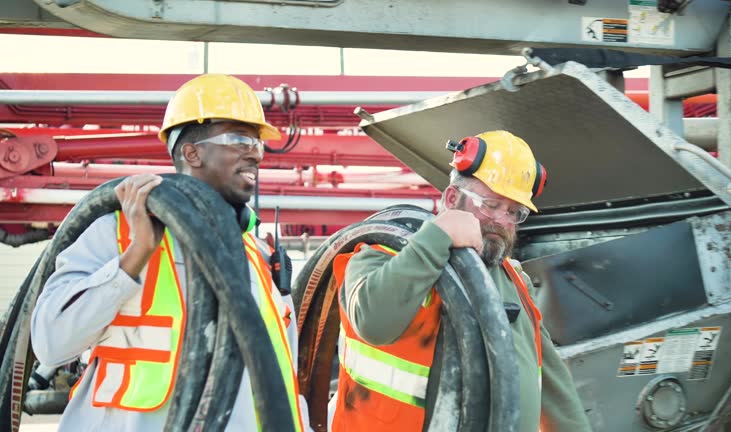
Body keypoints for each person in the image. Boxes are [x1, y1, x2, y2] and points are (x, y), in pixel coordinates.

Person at [31, 74, 309, 431]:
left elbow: (283, 378)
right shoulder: (119, 233)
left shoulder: (258, 254)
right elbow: (52, 344)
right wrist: (135, 257)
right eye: (239, 139)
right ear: (192, 153)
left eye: (256, 142)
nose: (255, 152)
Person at [329, 130, 592, 432]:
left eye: (514, 212)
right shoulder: (381, 255)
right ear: (452, 198)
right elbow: (373, 323)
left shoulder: (512, 282)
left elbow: (555, 390)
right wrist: (437, 237)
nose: (502, 221)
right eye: (491, 204)